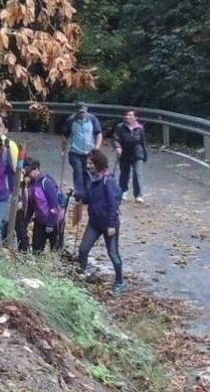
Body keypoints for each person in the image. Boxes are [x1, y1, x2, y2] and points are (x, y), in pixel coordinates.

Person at [77, 149, 126, 293]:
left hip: (109, 224)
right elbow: (88, 198)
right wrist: (77, 195)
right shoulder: (92, 178)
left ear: (98, 164)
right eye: (87, 163)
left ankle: (120, 282)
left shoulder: (107, 180)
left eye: (90, 163)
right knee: (83, 249)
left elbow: (113, 203)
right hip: (95, 222)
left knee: (113, 253)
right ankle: (81, 273)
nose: (88, 166)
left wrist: (111, 224)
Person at [61, 102, 103, 206]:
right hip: (75, 152)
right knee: (78, 172)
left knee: (88, 173)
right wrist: (63, 149)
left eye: (83, 112)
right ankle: (80, 195)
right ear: (76, 112)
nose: (82, 114)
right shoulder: (71, 120)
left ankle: (88, 195)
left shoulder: (92, 119)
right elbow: (64, 136)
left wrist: (97, 148)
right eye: (80, 112)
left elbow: (99, 134)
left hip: (89, 152)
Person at [23, 158, 65, 254]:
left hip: (55, 222)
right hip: (40, 221)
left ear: (37, 169)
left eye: (30, 171)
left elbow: (54, 205)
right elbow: (31, 205)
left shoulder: (46, 182)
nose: (28, 174)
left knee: (56, 251)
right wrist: (26, 221)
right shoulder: (31, 184)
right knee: (36, 250)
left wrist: (50, 224)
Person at [112, 108, 149, 204]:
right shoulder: (120, 127)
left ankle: (138, 195)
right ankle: (123, 191)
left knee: (137, 173)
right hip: (124, 153)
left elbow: (143, 142)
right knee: (124, 173)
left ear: (135, 117)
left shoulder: (139, 128)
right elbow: (116, 139)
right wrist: (117, 147)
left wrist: (145, 155)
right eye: (126, 115)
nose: (127, 117)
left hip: (137, 153)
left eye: (130, 115)